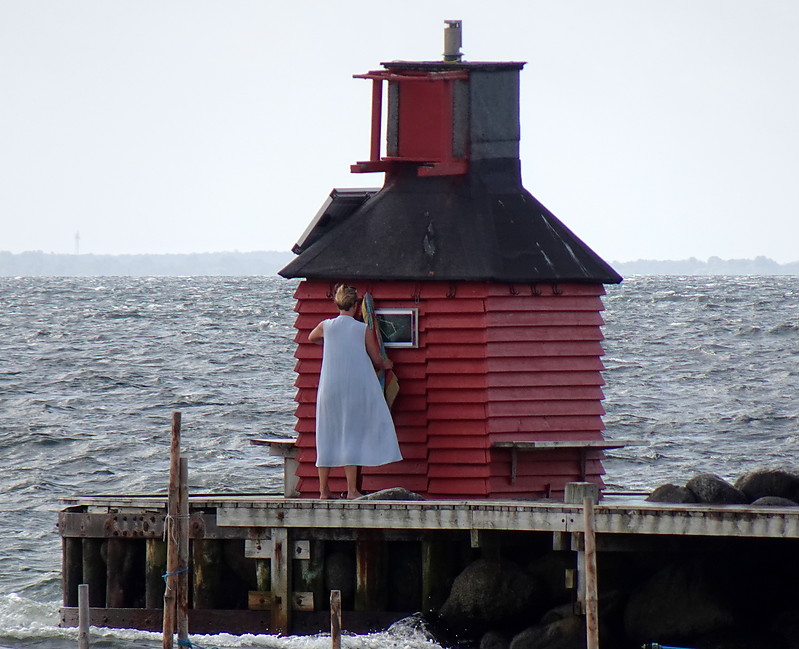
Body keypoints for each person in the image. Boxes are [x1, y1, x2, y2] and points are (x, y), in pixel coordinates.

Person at [308, 285, 402, 499]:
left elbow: (311, 338)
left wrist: (331, 344)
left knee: (326, 435)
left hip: (329, 389)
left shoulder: (326, 326)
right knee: (350, 435)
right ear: (356, 305)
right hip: (353, 389)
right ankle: (351, 490)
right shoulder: (362, 329)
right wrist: (387, 364)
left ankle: (323, 491)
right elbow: (377, 359)